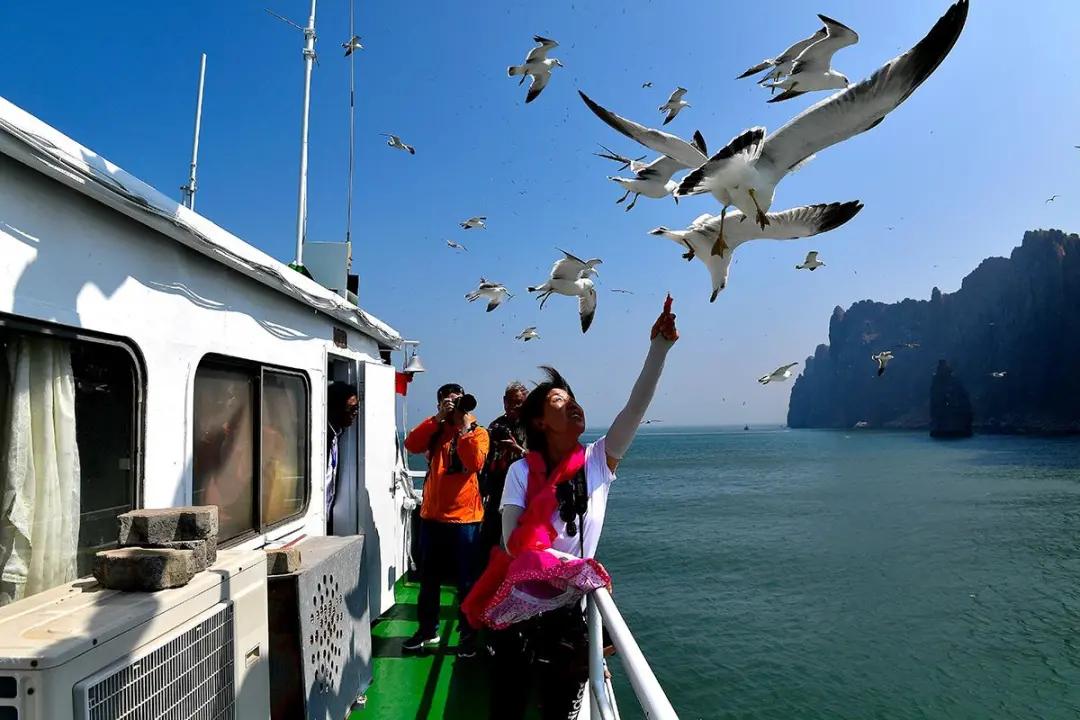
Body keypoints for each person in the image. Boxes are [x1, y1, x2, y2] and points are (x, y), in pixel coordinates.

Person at [469, 295, 678, 720]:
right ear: (541, 422)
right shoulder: (522, 474)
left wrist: (658, 349)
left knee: (561, 706)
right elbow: (512, 543)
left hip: (569, 614)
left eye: (572, 398)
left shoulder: (600, 460)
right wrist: (575, 568)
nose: (573, 405)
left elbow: (635, 408)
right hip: (522, 608)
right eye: (560, 402)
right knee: (506, 705)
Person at [403, 382, 490, 656]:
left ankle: (467, 636)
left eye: (459, 400)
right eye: (449, 401)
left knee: (467, 583)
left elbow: (475, 463)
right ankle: (427, 630)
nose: (456, 405)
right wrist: (439, 418)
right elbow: (411, 444)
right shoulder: (435, 430)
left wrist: (463, 427)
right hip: (432, 517)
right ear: (440, 402)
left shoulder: (478, 432)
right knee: (429, 581)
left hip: (466, 520)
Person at [479, 381, 528, 554]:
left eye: (518, 402)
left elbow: (539, 460)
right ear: (504, 401)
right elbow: (485, 458)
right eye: (510, 402)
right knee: (488, 540)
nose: (513, 406)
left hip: (523, 492)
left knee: (517, 541)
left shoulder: (532, 427)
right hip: (497, 489)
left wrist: (518, 450)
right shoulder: (496, 426)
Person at [326, 381, 359, 534]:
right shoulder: (323, 438)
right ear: (337, 407)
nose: (355, 413)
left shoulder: (336, 436)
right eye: (352, 408)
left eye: (357, 408)